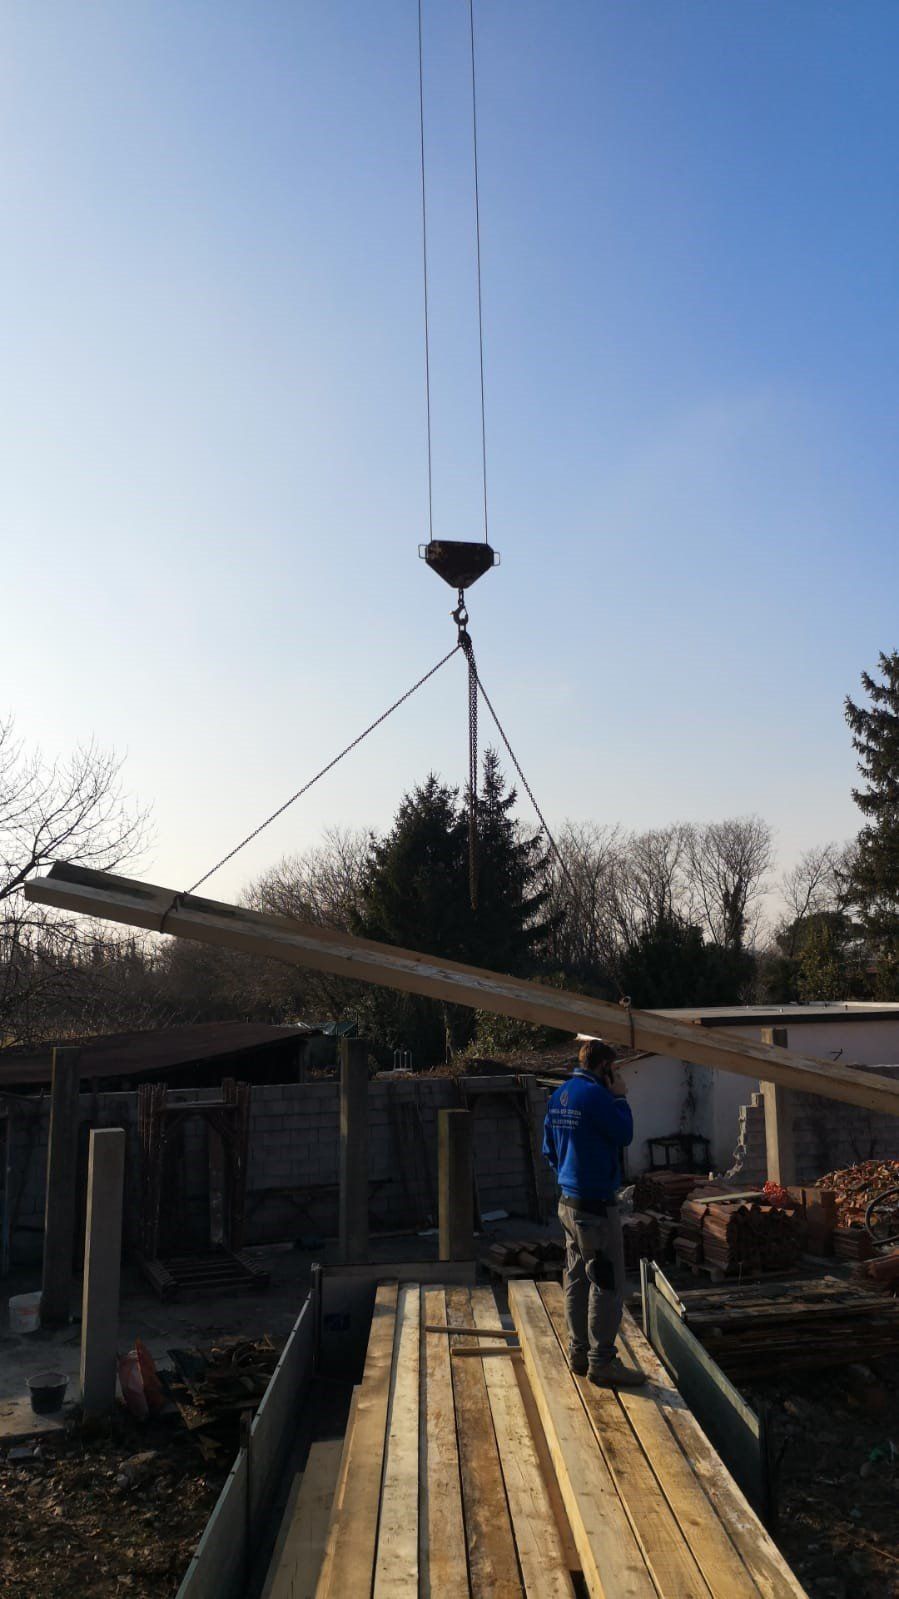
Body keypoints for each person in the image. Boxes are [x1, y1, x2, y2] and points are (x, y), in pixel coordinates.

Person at [542, 1037, 646, 1386]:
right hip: (595, 1205)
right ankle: (601, 1361)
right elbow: (625, 1134)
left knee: (575, 1277)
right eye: (614, 1070)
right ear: (604, 1068)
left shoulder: (559, 1095)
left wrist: (568, 1176)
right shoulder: (600, 1097)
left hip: (567, 1202)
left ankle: (578, 1351)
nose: (617, 1075)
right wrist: (621, 1097)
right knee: (606, 1280)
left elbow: (549, 1151)